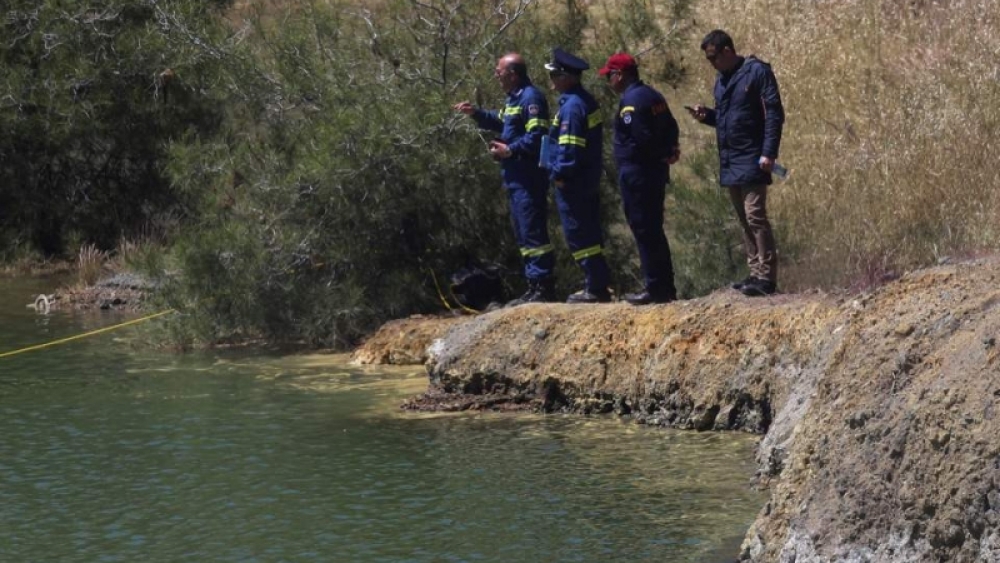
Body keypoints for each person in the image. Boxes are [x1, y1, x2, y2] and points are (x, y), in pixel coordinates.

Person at [687, 30, 785, 297]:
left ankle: (767, 277)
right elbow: (726, 118)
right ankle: (755, 272)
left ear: (727, 51)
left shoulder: (756, 72)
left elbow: (774, 113)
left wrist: (769, 152)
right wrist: (707, 116)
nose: (711, 63)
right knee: (743, 218)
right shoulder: (722, 80)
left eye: (713, 57)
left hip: (753, 156)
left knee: (755, 216)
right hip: (731, 160)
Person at [453, 53, 556, 306]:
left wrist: (509, 150)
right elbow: (502, 122)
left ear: (513, 74)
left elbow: (537, 136)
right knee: (523, 233)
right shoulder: (514, 99)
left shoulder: (531, 98)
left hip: (528, 177)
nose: (496, 75)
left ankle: (543, 286)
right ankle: (533, 286)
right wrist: (476, 113)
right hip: (514, 178)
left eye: (499, 71)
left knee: (533, 233)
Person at [599, 53, 680, 305]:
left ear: (620, 75)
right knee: (654, 230)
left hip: (638, 174)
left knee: (644, 230)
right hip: (653, 172)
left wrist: (662, 153)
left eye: (609, 76)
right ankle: (664, 287)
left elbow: (642, 138)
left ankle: (655, 288)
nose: (608, 81)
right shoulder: (653, 95)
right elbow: (672, 126)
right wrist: (669, 151)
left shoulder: (631, 101)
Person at [544, 48, 612, 304]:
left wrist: (561, 175)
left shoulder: (573, 107)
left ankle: (594, 287)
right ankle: (596, 285)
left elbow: (570, 148)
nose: (552, 81)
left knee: (579, 233)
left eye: (554, 76)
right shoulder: (579, 101)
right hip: (584, 179)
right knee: (587, 232)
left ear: (566, 77)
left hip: (574, 182)